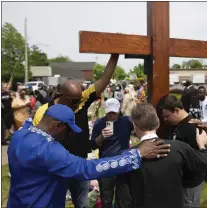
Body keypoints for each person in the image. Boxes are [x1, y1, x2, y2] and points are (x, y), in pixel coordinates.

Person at [7, 104, 171, 208]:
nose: (70, 135)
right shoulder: (48, 150)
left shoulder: (21, 134)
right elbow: (87, 168)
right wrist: (136, 154)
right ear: (58, 125)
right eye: (69, 130)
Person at [32, 54, 122, 208]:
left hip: (79, 163)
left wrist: (115, 55)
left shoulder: (80, 100)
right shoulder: (44, 112)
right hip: (57, 166)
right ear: (63, 96)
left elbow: (103, 80)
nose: (79, 103)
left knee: (82, 203)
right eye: (75, 101)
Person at [116, 103, 207, 208]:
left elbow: (123, 199)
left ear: (134, 126)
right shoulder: (179, 148)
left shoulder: (127, 156)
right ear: (158, 124)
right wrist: (202, 146)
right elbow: (205, 163)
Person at [156, 94, 207, 207]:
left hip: (189, 183)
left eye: (167, 116)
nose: (165, 120)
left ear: (177, 110)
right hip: (177, 182)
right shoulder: (173, 124)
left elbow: (199, 160)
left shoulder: (193, 127)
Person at [90, 98, 134, 207]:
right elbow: (93, 146)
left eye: (114, 113)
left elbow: (138, 131)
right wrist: (101, 137)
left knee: (123, 199)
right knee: (106, 199)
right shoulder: (100, 123)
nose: (112, 116)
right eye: (109, 113)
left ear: (118, 111)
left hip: (123, 165)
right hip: (106, 166)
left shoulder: (126, 121)